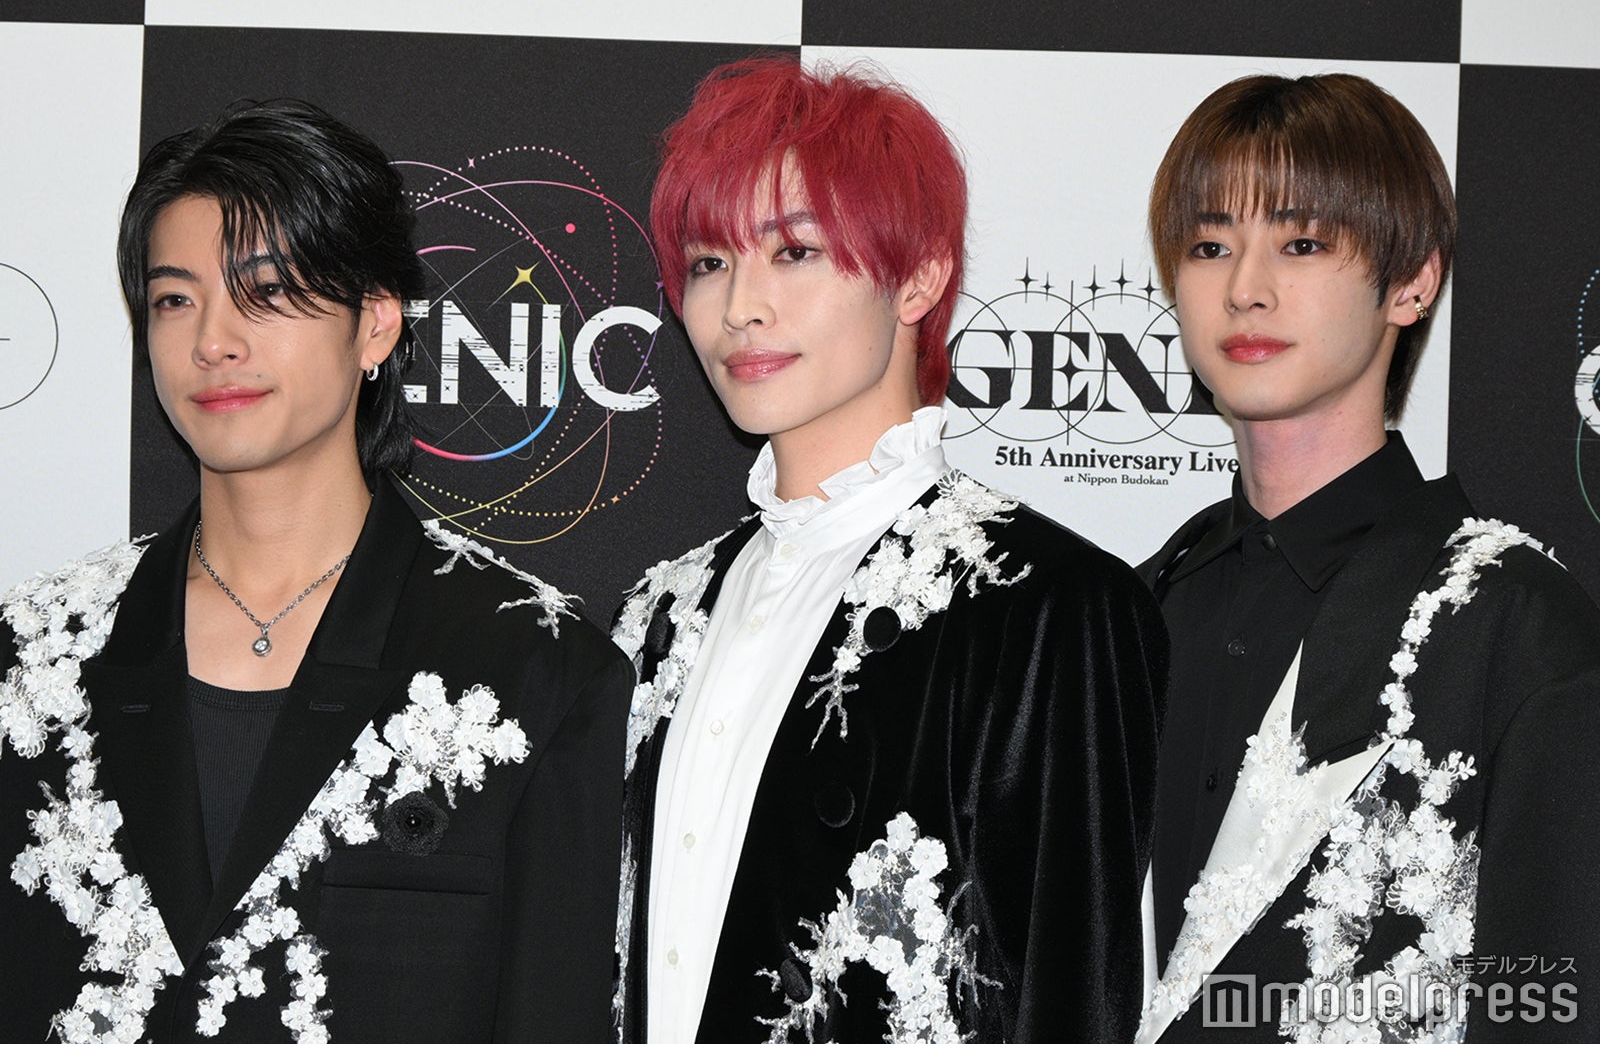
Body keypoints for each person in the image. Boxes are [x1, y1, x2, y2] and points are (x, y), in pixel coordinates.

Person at [0, 100, 631, 1043]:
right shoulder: (34, 658)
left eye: (265, 290)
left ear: (374, 323)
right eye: (175, 299)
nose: (213, 340)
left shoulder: (534, 668)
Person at [611, 57, 1166, 1044]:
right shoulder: (663, 609)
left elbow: (1075, 996)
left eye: (793, 252)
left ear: (918, 276)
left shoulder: (1048, 608)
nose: (740, 307)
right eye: (707, 263)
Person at [1138, 73, 1600, 1042]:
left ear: (1412, 282)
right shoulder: (1135, 610)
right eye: (1210, 245)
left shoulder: (1516, 627)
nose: (1245, 288)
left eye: (1301, 243)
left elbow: (1553, 997)